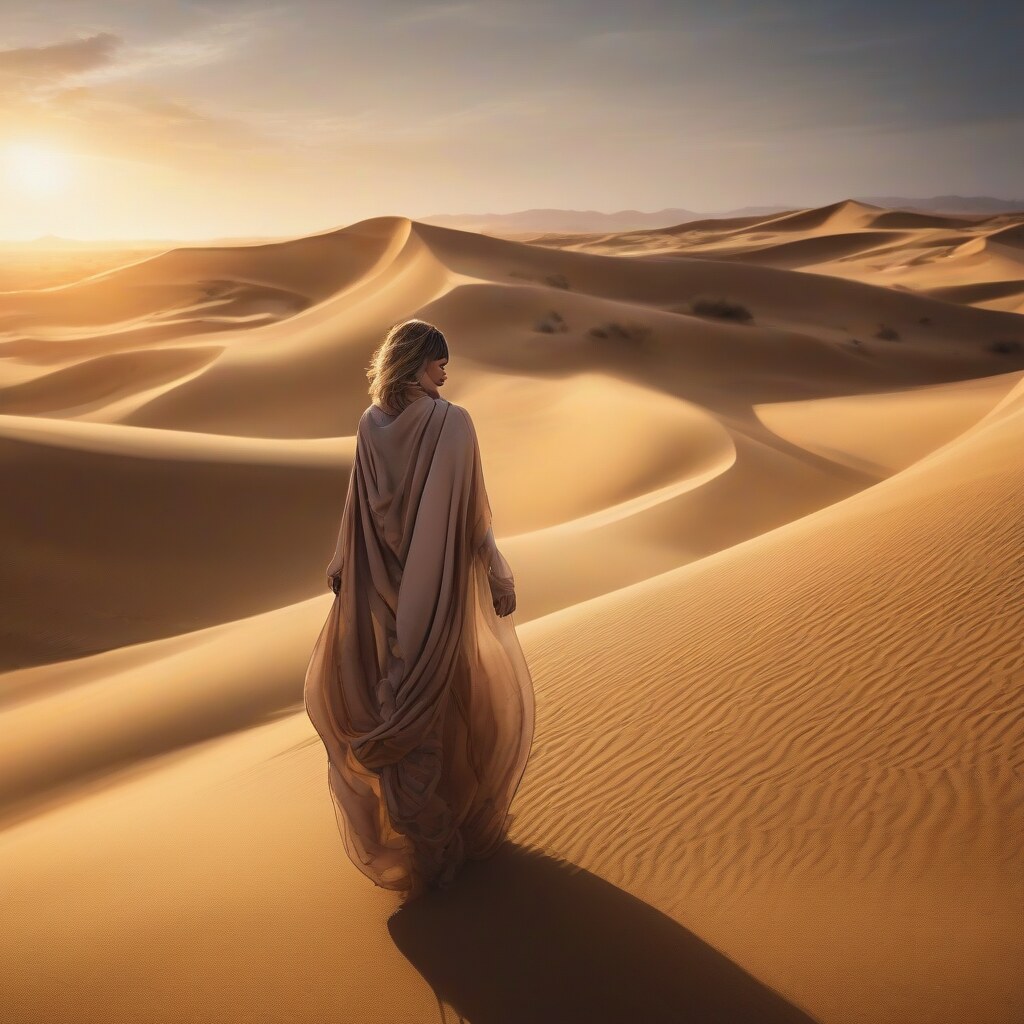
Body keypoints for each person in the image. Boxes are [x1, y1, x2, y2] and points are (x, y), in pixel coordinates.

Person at [303, 318, 535, 902]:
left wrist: (340, 563)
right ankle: (434, 841)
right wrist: (497, 567)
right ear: (413, 362)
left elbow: (355, 507)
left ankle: (425, 834)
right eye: (439, 360)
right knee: (430, 698)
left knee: (397, 694)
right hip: (436, 590)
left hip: (378, 587)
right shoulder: (452, 422)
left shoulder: (370, 424)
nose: (446, 372)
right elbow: (471, 515)